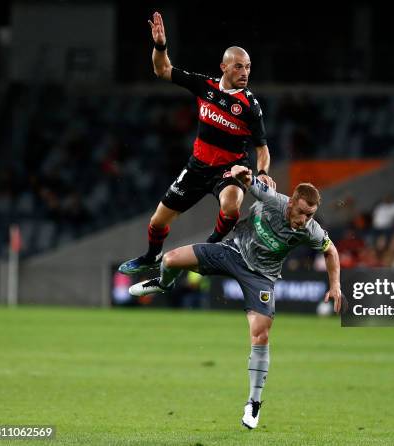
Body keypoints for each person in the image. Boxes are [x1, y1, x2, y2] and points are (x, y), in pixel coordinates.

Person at [129, 165, 343, 429]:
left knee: (260, 333)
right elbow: (246, 177)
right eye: (301, 212)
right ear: (292, 203)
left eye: (310, 215)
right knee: (171, 259)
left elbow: (331, 250)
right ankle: (163, 284)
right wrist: (241, 170)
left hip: (261, 276)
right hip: (232, 252)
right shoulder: (273, 199)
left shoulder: (311, 230)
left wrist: (335, 285)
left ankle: (253, 403)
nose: (304, 219)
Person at [119, 11, 275, 275]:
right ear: (224, 66)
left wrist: (262, 173)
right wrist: (160, 45)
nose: (245, 72)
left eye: (248, 67)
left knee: (231, 204)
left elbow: (262, 148)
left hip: (231, 169)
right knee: (157, 222)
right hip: (197, 167)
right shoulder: (205, 85)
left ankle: (211, 247)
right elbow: (162, 69)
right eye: (239, 66)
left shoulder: (250, 106)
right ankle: (151, 256)